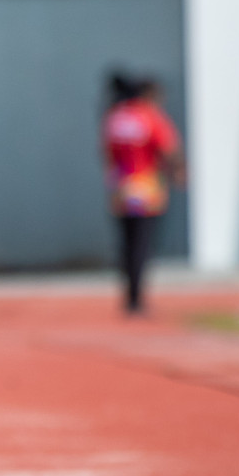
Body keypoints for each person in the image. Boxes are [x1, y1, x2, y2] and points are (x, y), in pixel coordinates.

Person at [102, 72, 185, 315]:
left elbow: (107, 153)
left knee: (127, 243)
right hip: (145, 186)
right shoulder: (150, 116)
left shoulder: (115, 117)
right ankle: (137, 298)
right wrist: (178, 172)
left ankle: (129, 295)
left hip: (120, 185)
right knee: (143, 243)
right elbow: (169, 148)